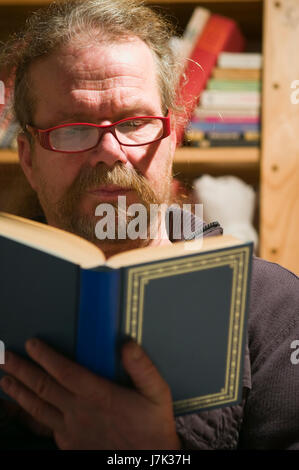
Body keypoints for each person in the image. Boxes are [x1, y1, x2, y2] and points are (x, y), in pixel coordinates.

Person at [0, 0, 298, 450]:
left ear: (172, 136)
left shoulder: (271, 306)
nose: (109, 150)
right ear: (28, 158)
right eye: (74, 128)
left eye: (135, 122)